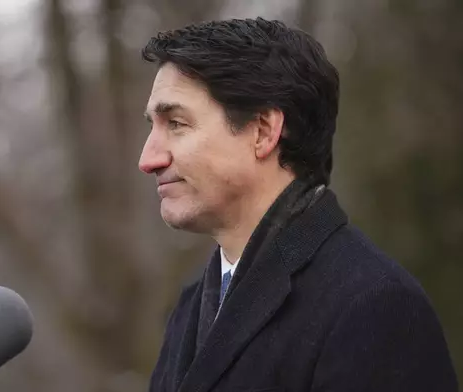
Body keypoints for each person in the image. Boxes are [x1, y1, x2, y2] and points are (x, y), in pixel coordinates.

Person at [138, 18, 458, 392]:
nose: (149, 158)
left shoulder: (374, 307)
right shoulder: (192, 305)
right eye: (152, 126)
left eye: (176, 123)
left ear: (263, 131)